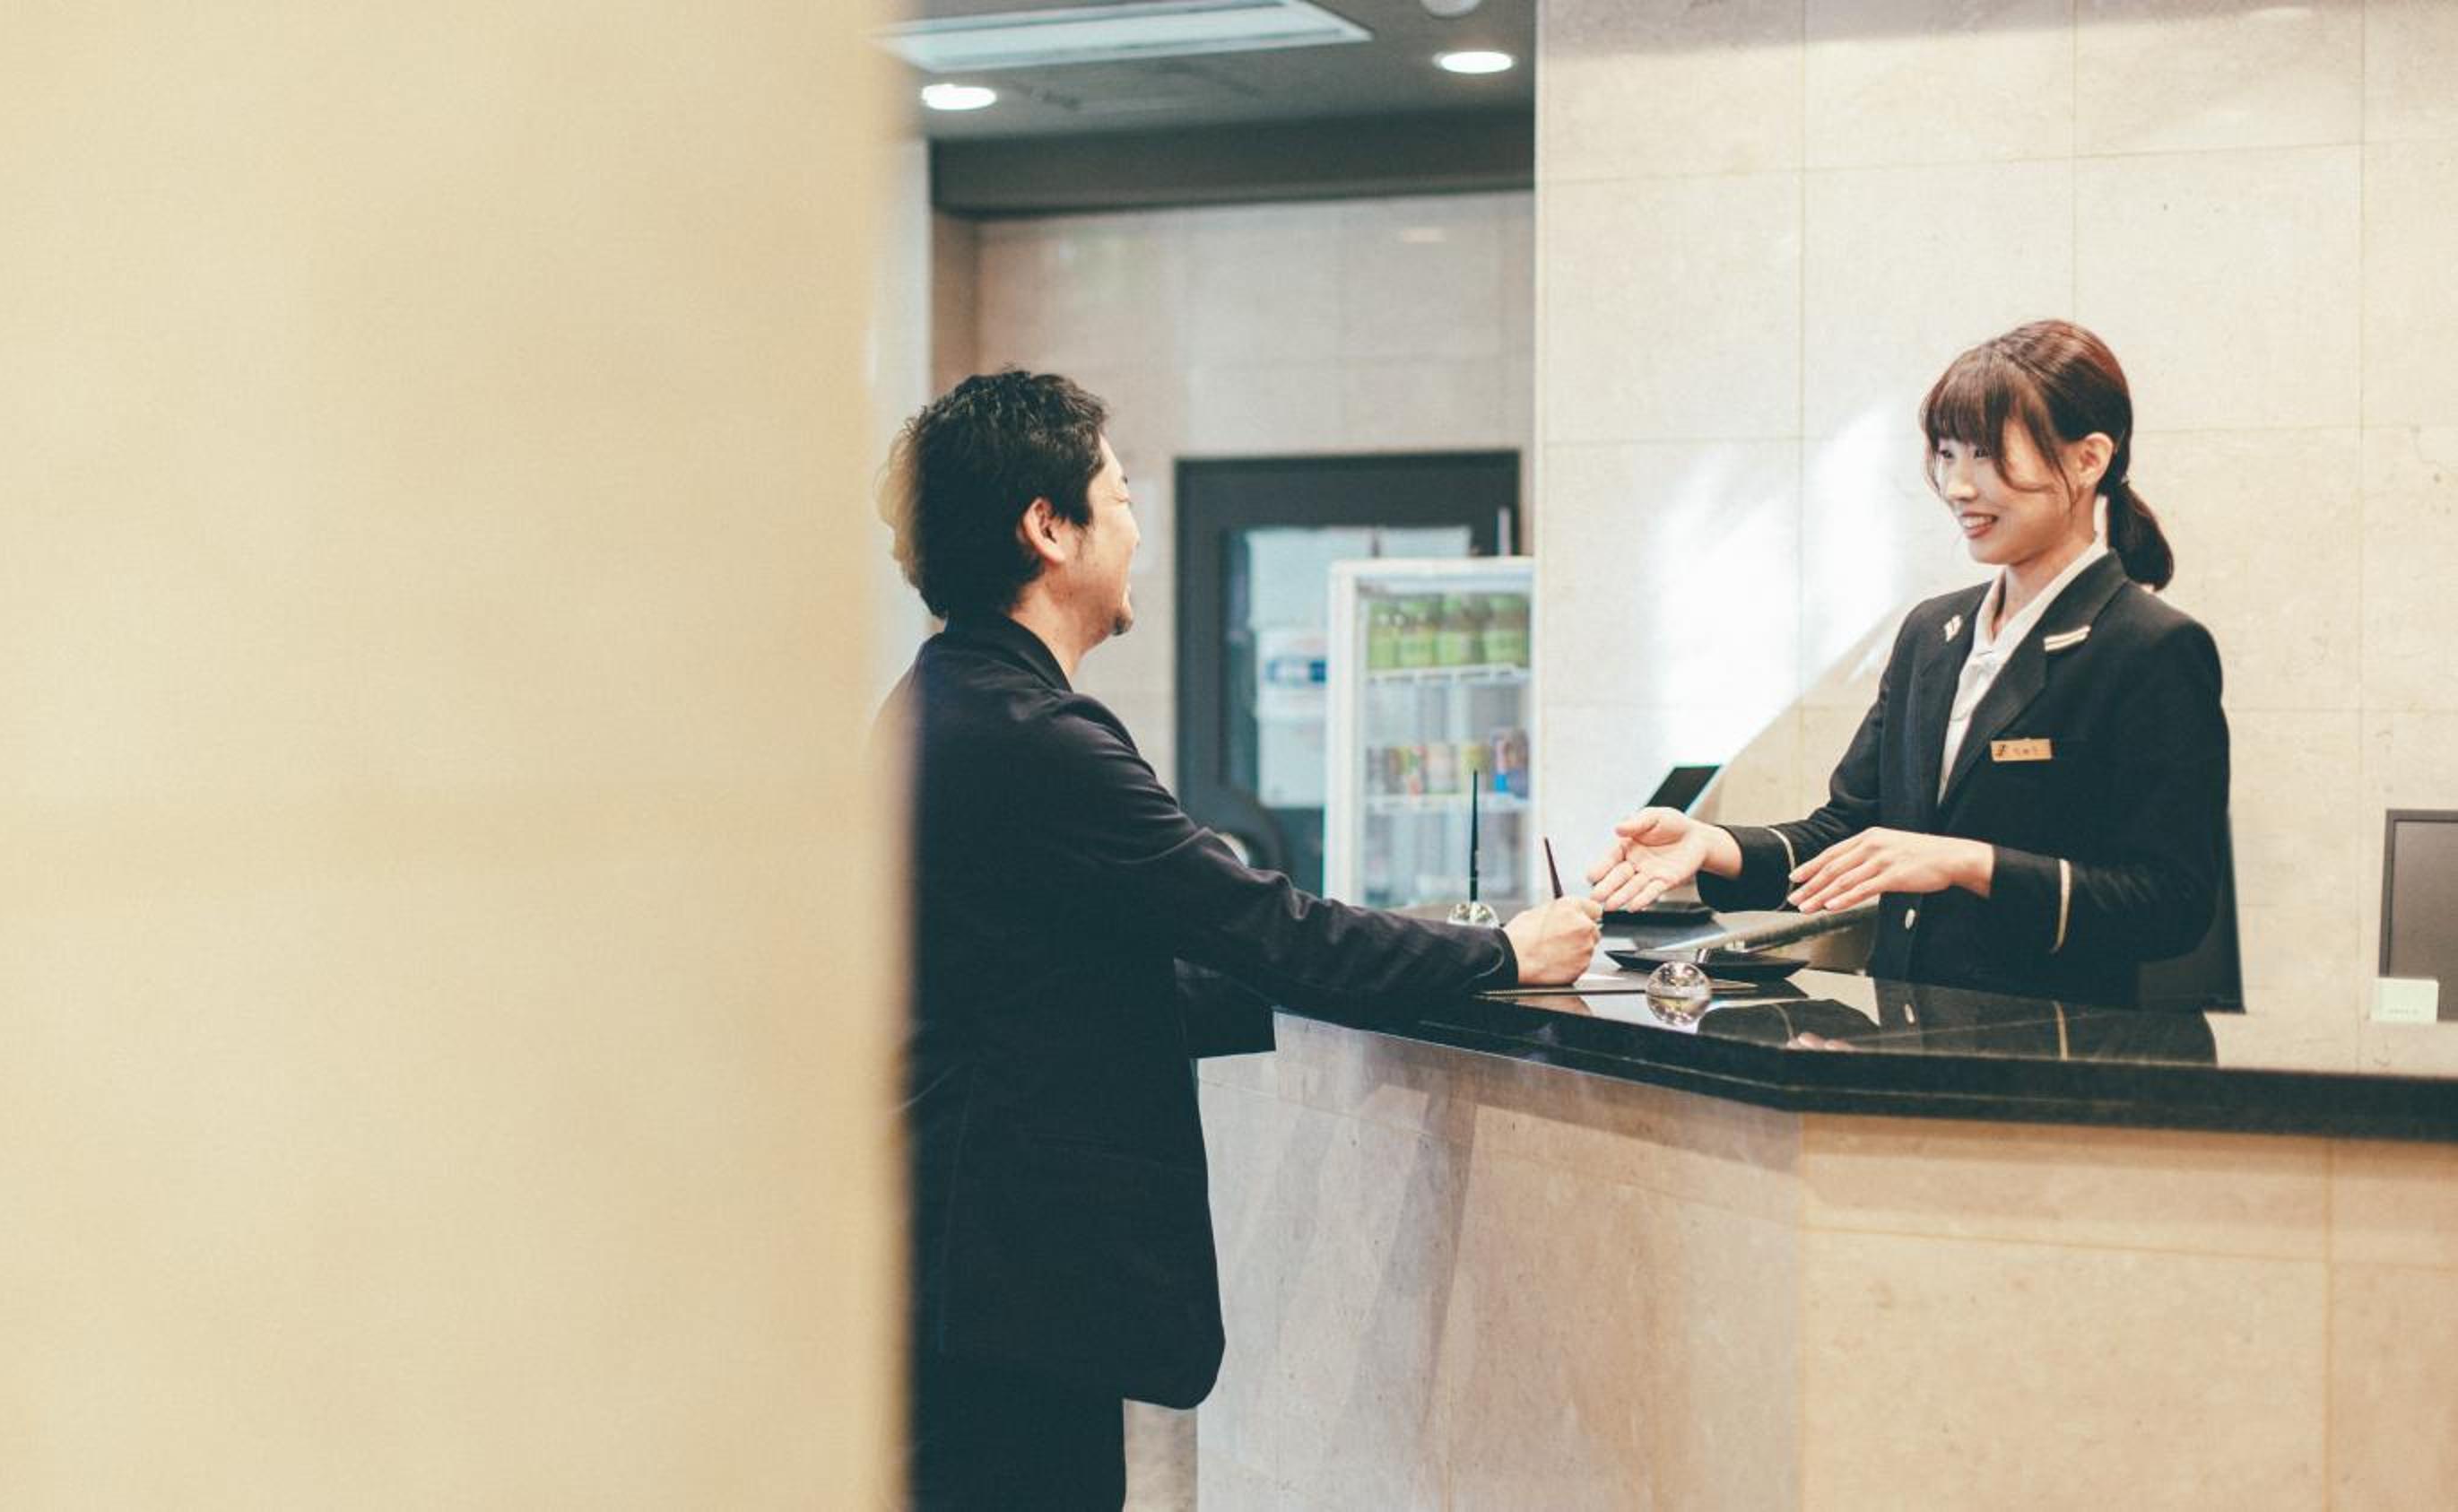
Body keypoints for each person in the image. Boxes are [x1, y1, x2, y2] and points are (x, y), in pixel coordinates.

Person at [876, 369, 1599, 1508]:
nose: (1136, 532)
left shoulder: (946, 702)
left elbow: (1071, 973)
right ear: (1048, 527)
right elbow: (1265, 926)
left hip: (966, 1267)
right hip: (1001, 1279)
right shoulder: (1034, 736)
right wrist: (1505, 954)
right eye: (1121, 500)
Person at [1585, 319, 2230, 1008]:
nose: (1957, 486)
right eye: (1946, 455)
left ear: (2088, 459)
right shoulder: (1931, 635)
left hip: (2051, 1049)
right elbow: (1848, 833)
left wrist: (1968, 863)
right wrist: (1710, 845)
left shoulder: (2150, 648)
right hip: (1906, 1037)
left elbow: (2171, 904)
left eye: (1986, 455)